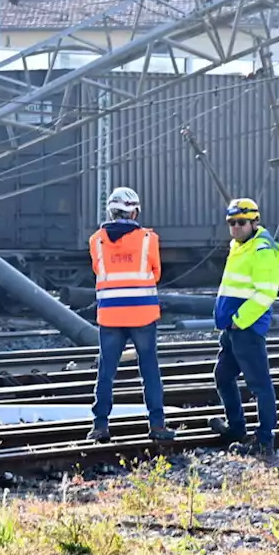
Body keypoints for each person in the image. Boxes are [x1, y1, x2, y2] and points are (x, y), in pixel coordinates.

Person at [86, 187, 176, 443]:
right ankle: (157, 426)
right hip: (143, 316)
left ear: (111, 211)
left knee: (106, 372)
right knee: (149, 370)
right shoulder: (149, 239)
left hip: (110, 317)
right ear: (134, 211)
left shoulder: (96, 240)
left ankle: (100, 426)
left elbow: (97, 270)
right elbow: (155, 273)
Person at [208, 197, 279, 458]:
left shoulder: (261, 250)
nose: (236, 227)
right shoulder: (239, 246)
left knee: (259, 384)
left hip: (246, 329)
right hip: (232, 329)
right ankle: (237, 428)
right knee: (223, 376)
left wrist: (239, 320)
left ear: (255, 222)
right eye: (232, 222)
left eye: (241, 222)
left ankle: (264, 440)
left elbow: (266, 294)